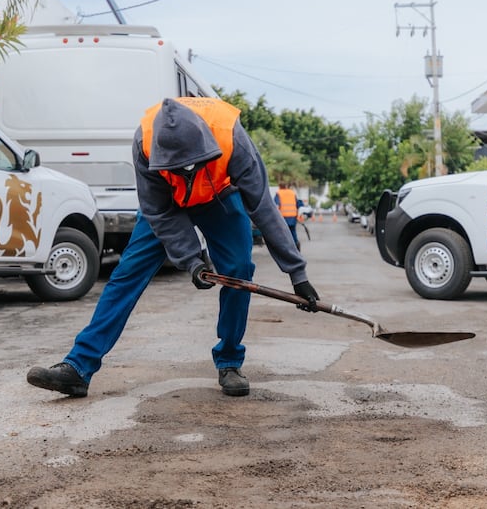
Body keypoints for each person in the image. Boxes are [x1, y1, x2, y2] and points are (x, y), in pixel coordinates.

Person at [26, 97, 319, 398]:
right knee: (127, 275)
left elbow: (263, 208)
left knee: (239, 271)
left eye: (190, 166)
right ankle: (78, 367)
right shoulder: (144, 142)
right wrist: (191, 259)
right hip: (165, 204)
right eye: (177, 168)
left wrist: (297, 274)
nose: (185, 173)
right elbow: (158, 211)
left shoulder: (232, 138)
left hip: (219, 197)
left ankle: (230, 361)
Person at [274, 183, 304, 250]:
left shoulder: (279, 193)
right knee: (293, 231)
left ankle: (286, 248)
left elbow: (277, 205)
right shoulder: (292, 193)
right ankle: (296, 244)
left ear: (279, 187)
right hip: (293, 216)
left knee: (283, 233)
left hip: (283, 217)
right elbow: (298, 204)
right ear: (286, 186)